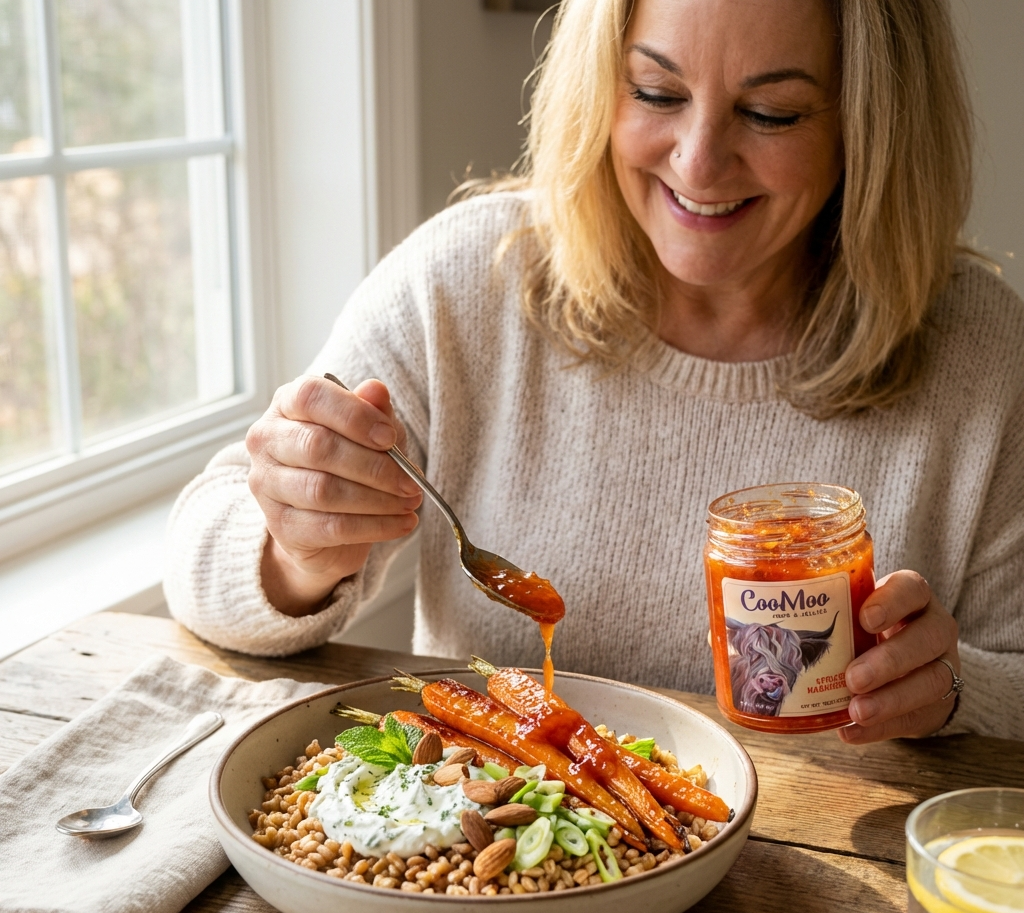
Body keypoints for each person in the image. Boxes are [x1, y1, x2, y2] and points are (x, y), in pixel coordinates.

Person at [165, 0, 1024, 743]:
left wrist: (956, 689)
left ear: (869, 126)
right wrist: (294, 547)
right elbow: (199, 563)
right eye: (656, 93)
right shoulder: (463, 286)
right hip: (495, 887)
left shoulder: (984, 354)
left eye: (771, 113)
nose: (697, 162)